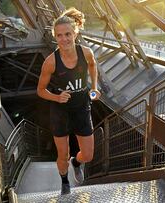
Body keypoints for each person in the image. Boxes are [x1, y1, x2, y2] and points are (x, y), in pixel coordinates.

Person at [37, 7, 101, 195]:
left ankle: (77, 162)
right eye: (59, 35)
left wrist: (94, 87)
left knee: (88, 155)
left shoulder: (86, 53)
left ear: (75, 33)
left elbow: (93, 66)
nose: (64, 39)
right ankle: (64, 181)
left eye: (67, 34)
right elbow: (40, 90)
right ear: (55, 37)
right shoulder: (51, 61)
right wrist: (56, 97)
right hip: (60, 111)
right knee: (62, 155)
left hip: (82, 107)